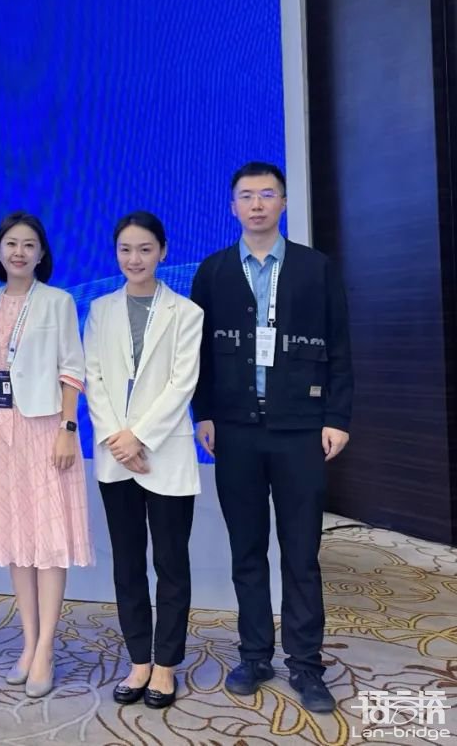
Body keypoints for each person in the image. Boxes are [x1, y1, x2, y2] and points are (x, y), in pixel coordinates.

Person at [191, 162, 353, 714]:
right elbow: (199, 354)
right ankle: (255, 654)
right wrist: (204, 413)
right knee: (247, 550)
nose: (256, 204)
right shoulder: (213, 271)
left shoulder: (315, 267)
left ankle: (306, 664)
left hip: (300, 430)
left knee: (302, 553)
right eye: (246, 196)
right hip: (235, 430)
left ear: (283, 202)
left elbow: (339, 345)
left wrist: (337, 416)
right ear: (232, 206)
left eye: (266, 194)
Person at [0, 211, 93, 698]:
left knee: (49, 539)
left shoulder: (58, 302)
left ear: (42, 253)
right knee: (17, 539)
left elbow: (72, 369)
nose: (19, 252)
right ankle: (28, 640)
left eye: (28, 244)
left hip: (45, 429)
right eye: (11, 244)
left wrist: (68, 428)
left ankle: (46, 648)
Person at [84, 211, 202, 710]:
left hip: (165, 452)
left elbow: (182, 383)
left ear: (163, 252)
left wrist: (140, 438)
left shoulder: (186, 312)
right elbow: (93, 377)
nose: (135, 259)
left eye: (145, 249)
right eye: (126, 250)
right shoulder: (100, 309)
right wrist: (118, 438)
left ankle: (166, 664)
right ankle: (138, 660)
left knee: (170, 564)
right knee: (128, 563)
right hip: (116, 457)